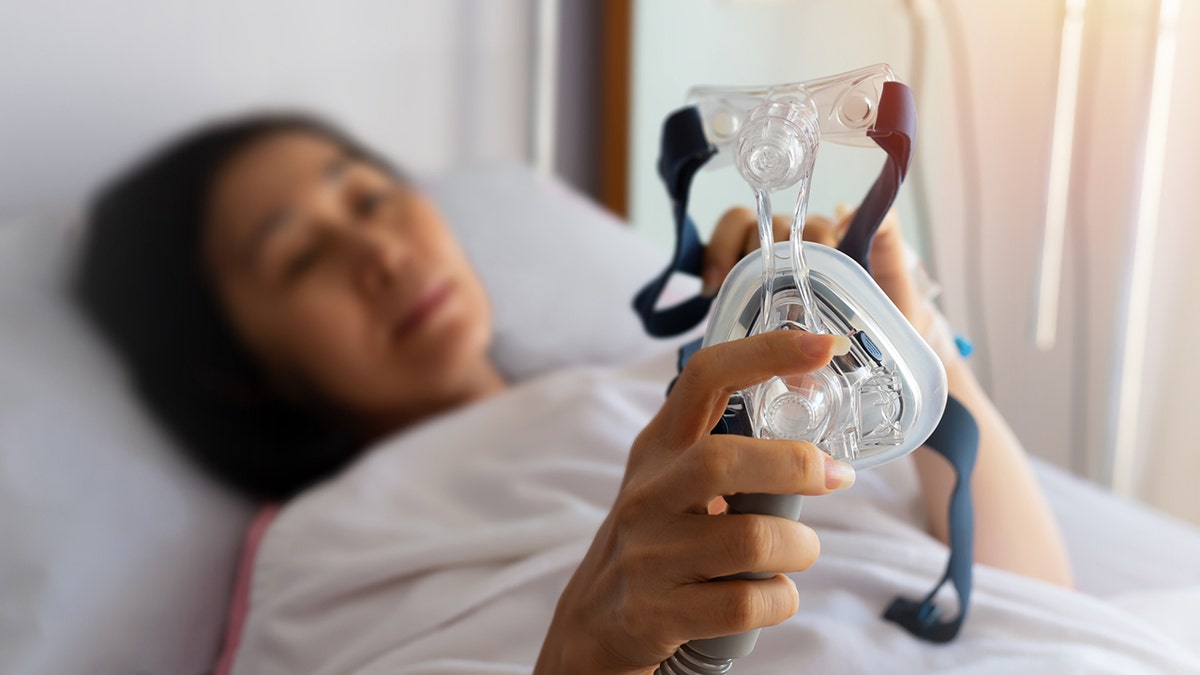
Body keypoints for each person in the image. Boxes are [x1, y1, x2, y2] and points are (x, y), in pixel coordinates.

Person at [75, 113, 1072, 673]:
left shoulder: (672, 376)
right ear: (234, 368)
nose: (377, 250)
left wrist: (911, 333)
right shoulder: (320, 557)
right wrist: (593, 652)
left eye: (374, 197)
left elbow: (1041, 602)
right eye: (300, 258)